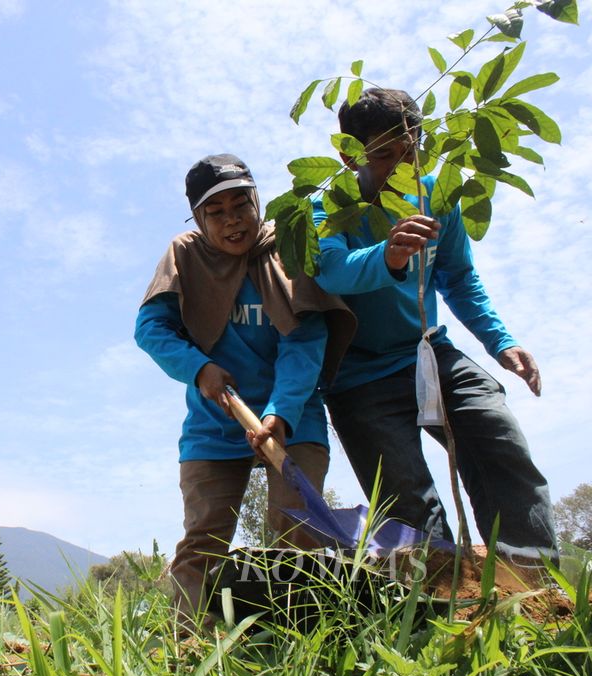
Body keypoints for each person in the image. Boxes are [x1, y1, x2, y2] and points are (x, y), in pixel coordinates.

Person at [312, 87, 557, 568]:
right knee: (407, 505)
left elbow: (459, 277)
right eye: (385, 156)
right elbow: (331, 269)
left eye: (412, 151)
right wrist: (389, 254)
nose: (401, 166)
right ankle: (439, 601)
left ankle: (535, 587)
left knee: (497, 438)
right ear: (347, 153)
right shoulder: (326, 207)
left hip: (429, 353)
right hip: (359, 378)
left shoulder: (433, 193)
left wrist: (500, 341)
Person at [135, 154, 355, 628]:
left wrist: (281, 412)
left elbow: (305, 340)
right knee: (203, 541)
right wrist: (200, 368)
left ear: (258, 203)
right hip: (214, 424)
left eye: (242, 205)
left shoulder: (285, 247)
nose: (233, 220)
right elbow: (151, 329)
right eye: (217, 212)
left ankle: (302, 639)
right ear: (198, 218)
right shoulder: (184, 255)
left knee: (299, 529)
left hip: (292, 418)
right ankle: (191, 647)